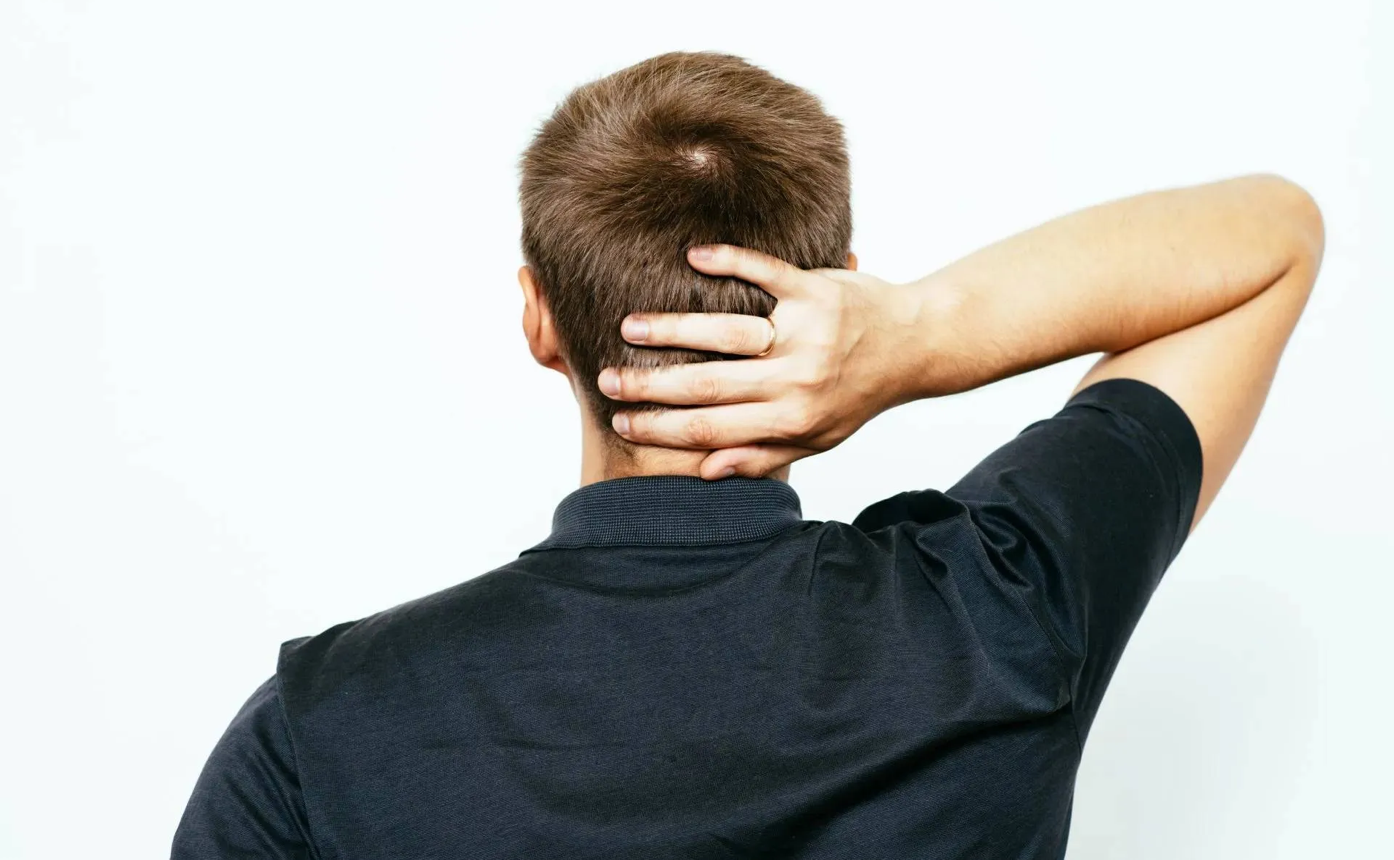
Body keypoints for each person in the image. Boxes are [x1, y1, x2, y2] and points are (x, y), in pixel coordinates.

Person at [172, 52, 1323, 859]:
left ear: (538, 317)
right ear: (840, 291)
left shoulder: (322, 727)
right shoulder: (1000, 611)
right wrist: (917, 333)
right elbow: (1272, 238)